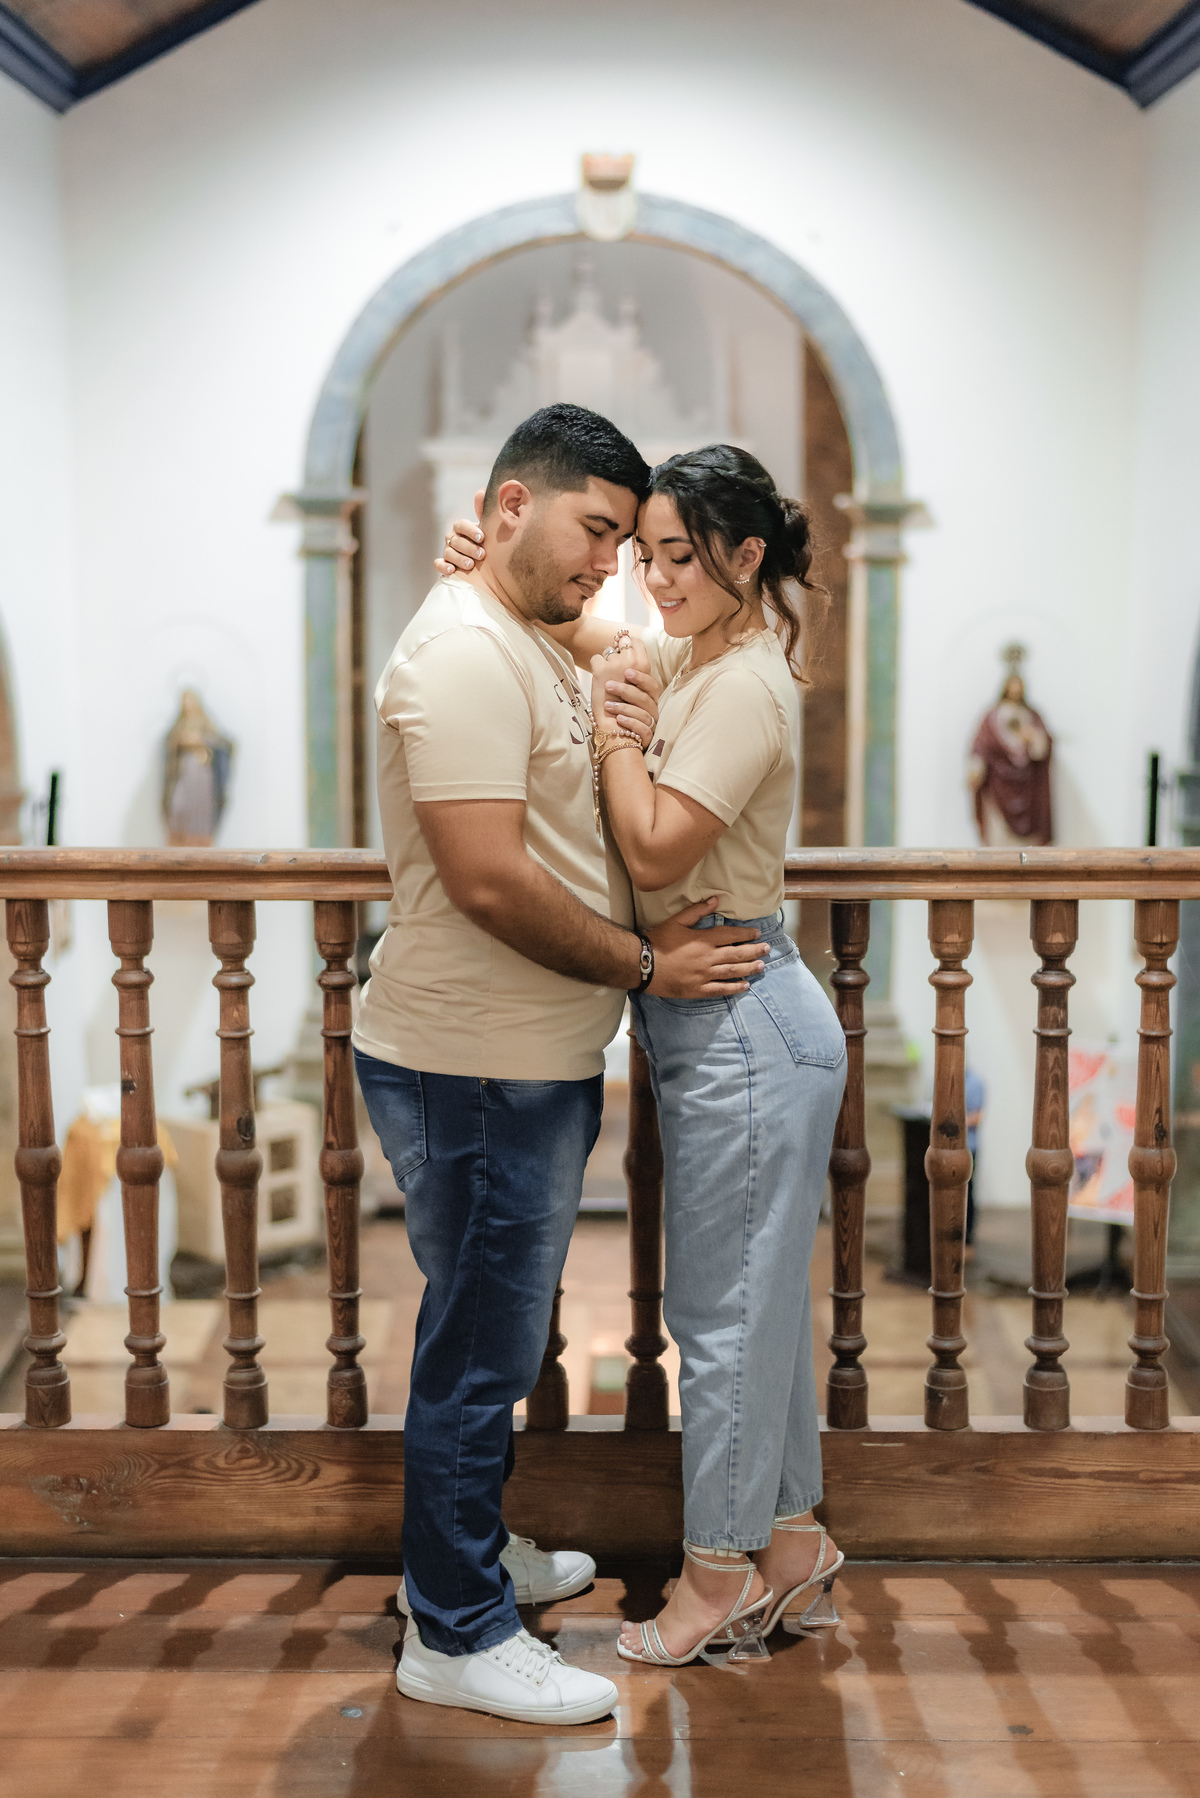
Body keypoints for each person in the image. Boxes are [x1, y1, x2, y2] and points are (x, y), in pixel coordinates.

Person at [354, 404, 769, 1726]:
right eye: (601, 531)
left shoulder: (519, 623)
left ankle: (465, 1558)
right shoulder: (464, 654)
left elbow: (625, 639)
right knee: (477, 1351)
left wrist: (545, 573)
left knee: (504, 1327)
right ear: (516, 506)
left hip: (521, 1055)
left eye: (632, 540)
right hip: (473, 1060)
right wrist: (646, 968)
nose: (618, 566)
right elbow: (483, 878)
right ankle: (458, 1630)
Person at [439, 442, 848, 1669]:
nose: (653, 579)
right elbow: (604, 651)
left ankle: (716, 1578)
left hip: (740, 1015)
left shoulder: (746, 687)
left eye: (678, 557)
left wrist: (622, 744)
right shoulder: (701, 652)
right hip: (719, 1012)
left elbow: (660, 850)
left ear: (745, 557)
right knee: (751, 1310)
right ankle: (789, 1544)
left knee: (719, 1320)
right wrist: (487, 577)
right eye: (645, 554)